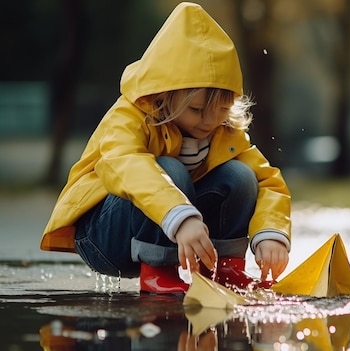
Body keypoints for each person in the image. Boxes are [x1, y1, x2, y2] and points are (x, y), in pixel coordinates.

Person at [40, 2, 291, 294]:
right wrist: (179, 215)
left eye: (221, 109)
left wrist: (270, 233)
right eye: (197, 109)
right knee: (167, 168)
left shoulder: (225, 132)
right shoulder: (132, 115)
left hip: (176, 228)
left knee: (241, 176)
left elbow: (267, 182)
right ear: (166, 94)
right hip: (106, 237)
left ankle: (224, 269)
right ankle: (158, 272)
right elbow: (125, 164)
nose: (209, 121)